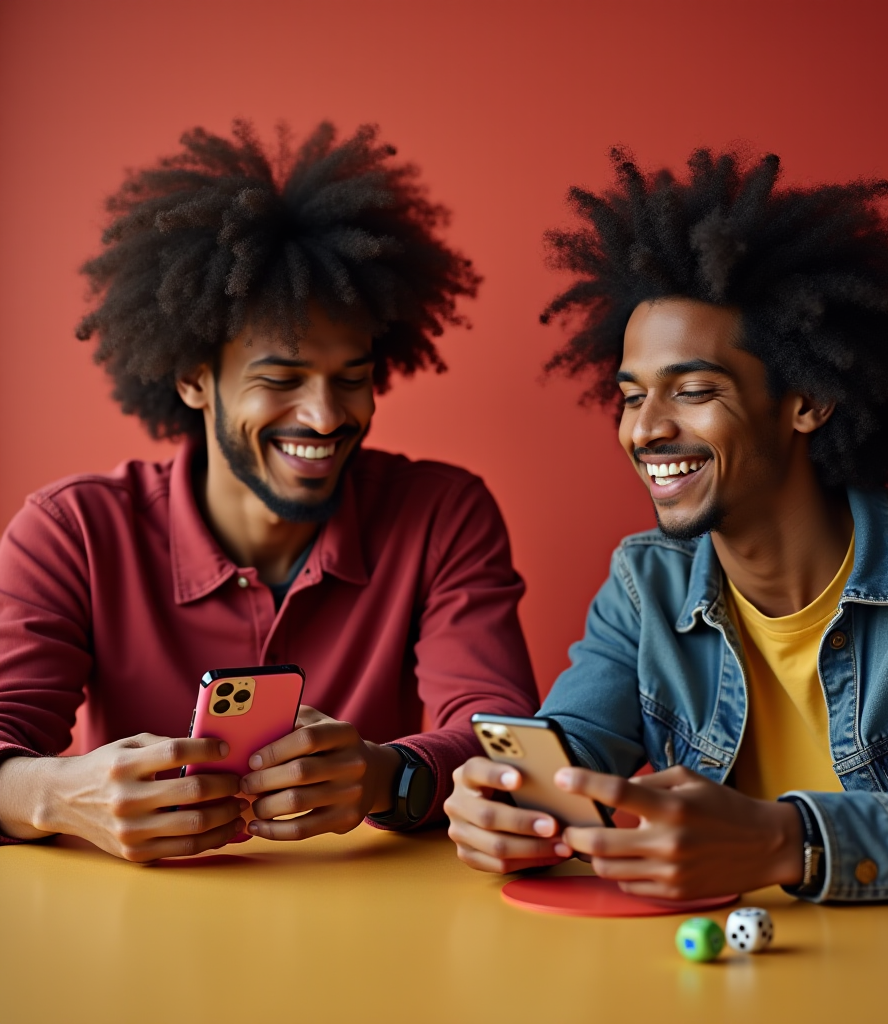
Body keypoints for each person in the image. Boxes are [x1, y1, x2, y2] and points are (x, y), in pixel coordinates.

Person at [445, 148, 888, 930]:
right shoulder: (642, 585)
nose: (646, 429)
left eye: (692, 391)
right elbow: (575, 744)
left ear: (808, 400)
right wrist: (505, 801)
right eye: (629, 397)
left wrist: (790, 841)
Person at [0, 121, 538, 861]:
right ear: (194, 379)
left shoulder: (443, 514)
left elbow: (501, 742)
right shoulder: (72, 531)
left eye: (352, 379)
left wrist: (387, 775)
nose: (324, 416)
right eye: (280, 381)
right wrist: (60, 794)